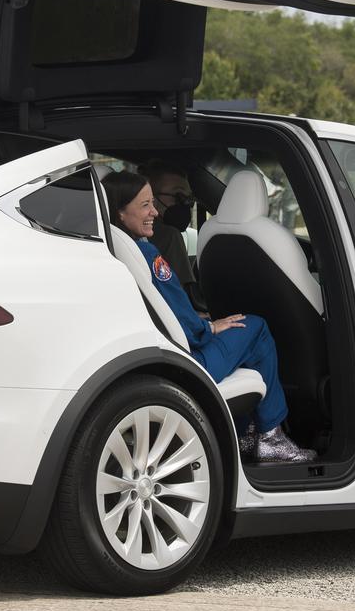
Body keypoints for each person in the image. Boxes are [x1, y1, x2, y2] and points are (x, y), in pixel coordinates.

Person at [102, 170, 316, 464]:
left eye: (153, 203)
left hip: (158, 353)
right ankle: (270, 436)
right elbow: (188, 328)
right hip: (190, 360)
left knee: (243, 334)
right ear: (120, 212)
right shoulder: (148, 255)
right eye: (144, 205)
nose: (154, 212)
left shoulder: (110, 250)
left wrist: (204, 320)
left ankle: (247, 434)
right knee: (256, 327)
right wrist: (209, 326)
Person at [140, 159, 205, 311]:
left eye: (189, 199)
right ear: (152, 198)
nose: (185, 204)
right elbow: (181, 302)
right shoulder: (169, 236)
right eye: (178, 196)